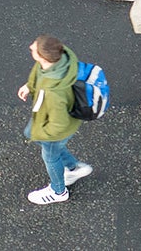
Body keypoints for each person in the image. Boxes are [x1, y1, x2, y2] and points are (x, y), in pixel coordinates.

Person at [19, 35, 90, 204]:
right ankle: (73, 167)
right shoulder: (58, 59)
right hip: (45, 117)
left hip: (54, 129)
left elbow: (58, 125)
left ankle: (58, 191)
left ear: (43, 57)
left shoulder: (54, 92)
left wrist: (43, 134)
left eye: (34, 48)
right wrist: (29, 86)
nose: (30, 46)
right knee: (30, 133)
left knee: (50, 156)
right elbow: (39, 71)